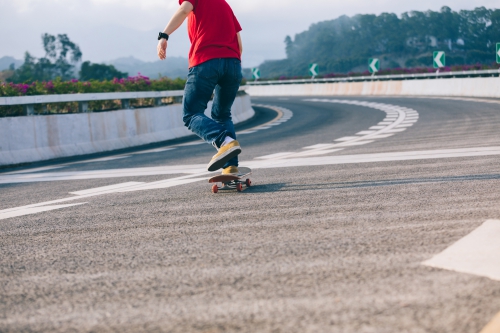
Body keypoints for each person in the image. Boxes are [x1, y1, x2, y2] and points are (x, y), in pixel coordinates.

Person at [157, 0, 243, 174]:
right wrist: (232, 64)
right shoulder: (225, 5)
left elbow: (183, 10)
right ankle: (230, 167)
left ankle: (224, 142)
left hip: (206, 61)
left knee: (190, 114)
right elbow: (239, 42)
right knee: (222, 114)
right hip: (233, 63)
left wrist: (164, 35)